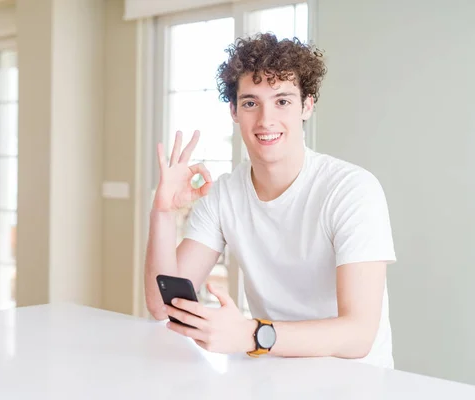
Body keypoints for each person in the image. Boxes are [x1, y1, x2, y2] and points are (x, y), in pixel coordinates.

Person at [144, 33, 396, 369]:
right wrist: (162, 212)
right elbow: (163, 308)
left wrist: (252, 334)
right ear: (234, 111)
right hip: (273, 371)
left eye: (282, 101)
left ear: (307, 106)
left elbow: (359, 335)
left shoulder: (351, 190)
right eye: (251, 103)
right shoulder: (225, 194)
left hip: (354, 381)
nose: (266, 120)